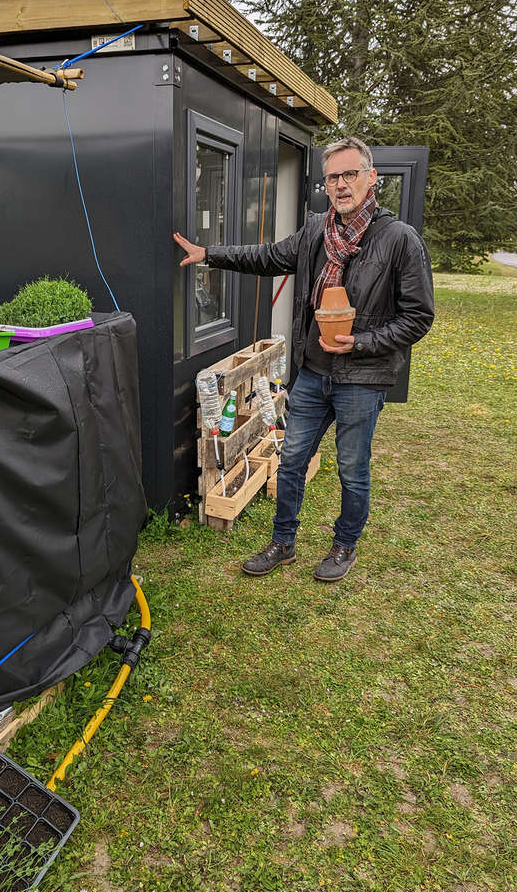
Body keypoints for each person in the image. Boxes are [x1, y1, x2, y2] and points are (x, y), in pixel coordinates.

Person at [174, 136, 434, 581]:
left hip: (362, 377)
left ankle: (344, 546)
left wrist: (361, 343)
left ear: (371, 178)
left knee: (352, 469)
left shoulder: (399, 240)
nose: (341, 184)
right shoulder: (316, 230)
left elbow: (418, 317)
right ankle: (282, 542)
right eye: (333, 177)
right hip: (313, 373)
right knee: (292, 459)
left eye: (350, 174)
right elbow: (269, 256)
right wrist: (209, 255)